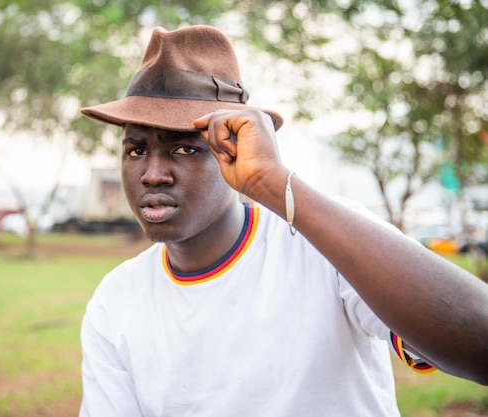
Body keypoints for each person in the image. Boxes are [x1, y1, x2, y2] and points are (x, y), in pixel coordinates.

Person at [78, 25, 488, 416]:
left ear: (235, 148)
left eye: (184, 150)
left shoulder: (324, 242)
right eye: (135, 150)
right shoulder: (117, 300)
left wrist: (271, 182)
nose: (152, 173)